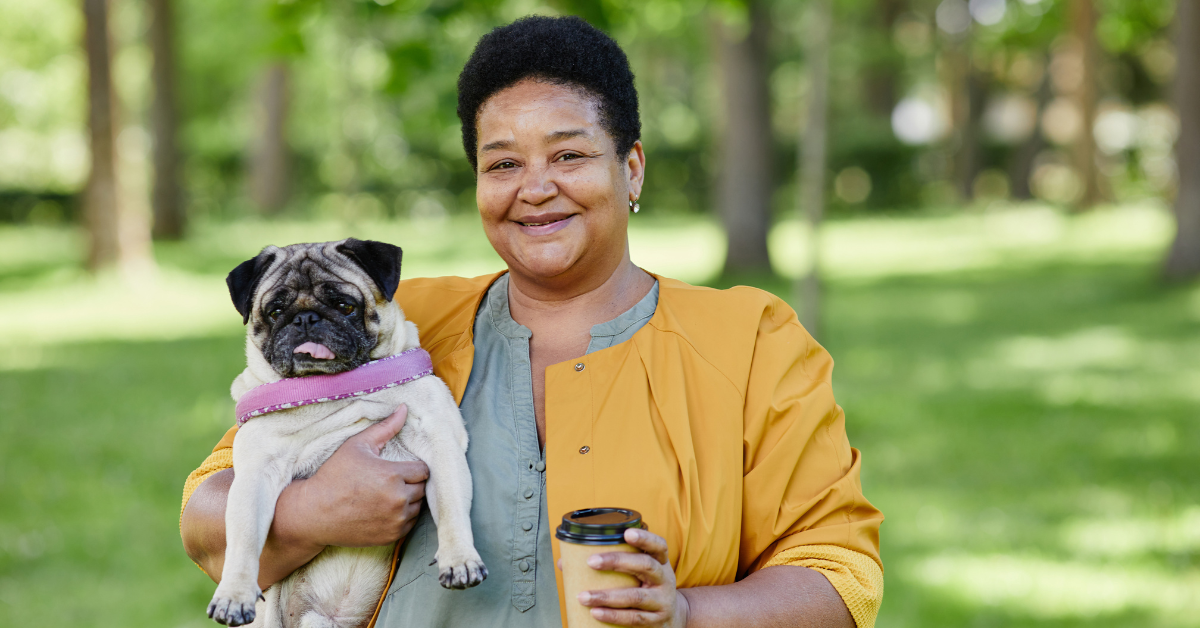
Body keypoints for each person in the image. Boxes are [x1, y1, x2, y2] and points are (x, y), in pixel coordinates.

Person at [181, 15, 883, 628]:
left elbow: (838, 576)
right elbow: (207, 509)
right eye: (503, 163)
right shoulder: (395, 327)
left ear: (631, 169)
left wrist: (687, 614)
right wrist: (313, 512)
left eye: (570, 155)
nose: (535, 188)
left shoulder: (751, 341)